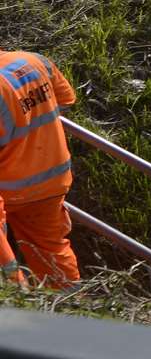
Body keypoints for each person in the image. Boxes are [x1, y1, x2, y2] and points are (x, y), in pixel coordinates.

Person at [0, 51, 80, 287]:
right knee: (51, 251)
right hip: (51, 180)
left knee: (6, 261)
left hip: (9, 188)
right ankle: (73, 310)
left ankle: (16, 295)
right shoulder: (33, 61)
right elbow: (66, 100)